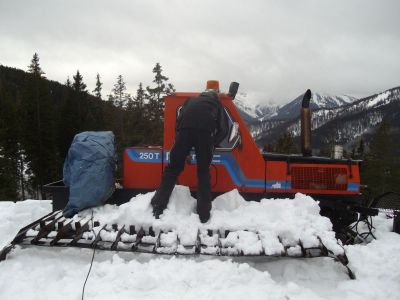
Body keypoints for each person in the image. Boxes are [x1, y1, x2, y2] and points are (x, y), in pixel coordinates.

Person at [151, 80, 229, 223]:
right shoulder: (217, 104)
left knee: (172, 169)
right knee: (203, 173)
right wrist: (213, 142)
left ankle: (158, 206)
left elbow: (179, 121)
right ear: (217, 92)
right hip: (205, 134)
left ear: (205, 90)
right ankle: (204, 214)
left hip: (184, 132)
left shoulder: (191, 100)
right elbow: (224, 129)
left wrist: (183, 145)